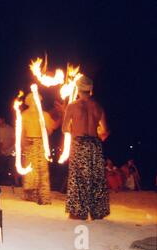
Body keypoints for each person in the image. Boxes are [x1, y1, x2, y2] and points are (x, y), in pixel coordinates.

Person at [62, 75, 110, 220]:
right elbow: (104, 131)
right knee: (96, 177)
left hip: (80, 143)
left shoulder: (72, 106)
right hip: (95, 144)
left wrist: (75, 128)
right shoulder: (98, 107)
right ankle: (97, 212)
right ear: (91, 90)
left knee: (78, 178)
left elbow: (64, 128)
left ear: (78, 89)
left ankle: (78, 212)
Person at [21, 93, 59, 205]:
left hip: (40, 143)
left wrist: (62, 115)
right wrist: (23, 143)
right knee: (31, 170)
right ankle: (31, 195)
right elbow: (21, 132)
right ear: (29, 101)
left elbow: (52, 128)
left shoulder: (44, 115)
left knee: (42, 170)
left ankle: (43, 196)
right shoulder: (24, 115)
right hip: (29, 143)